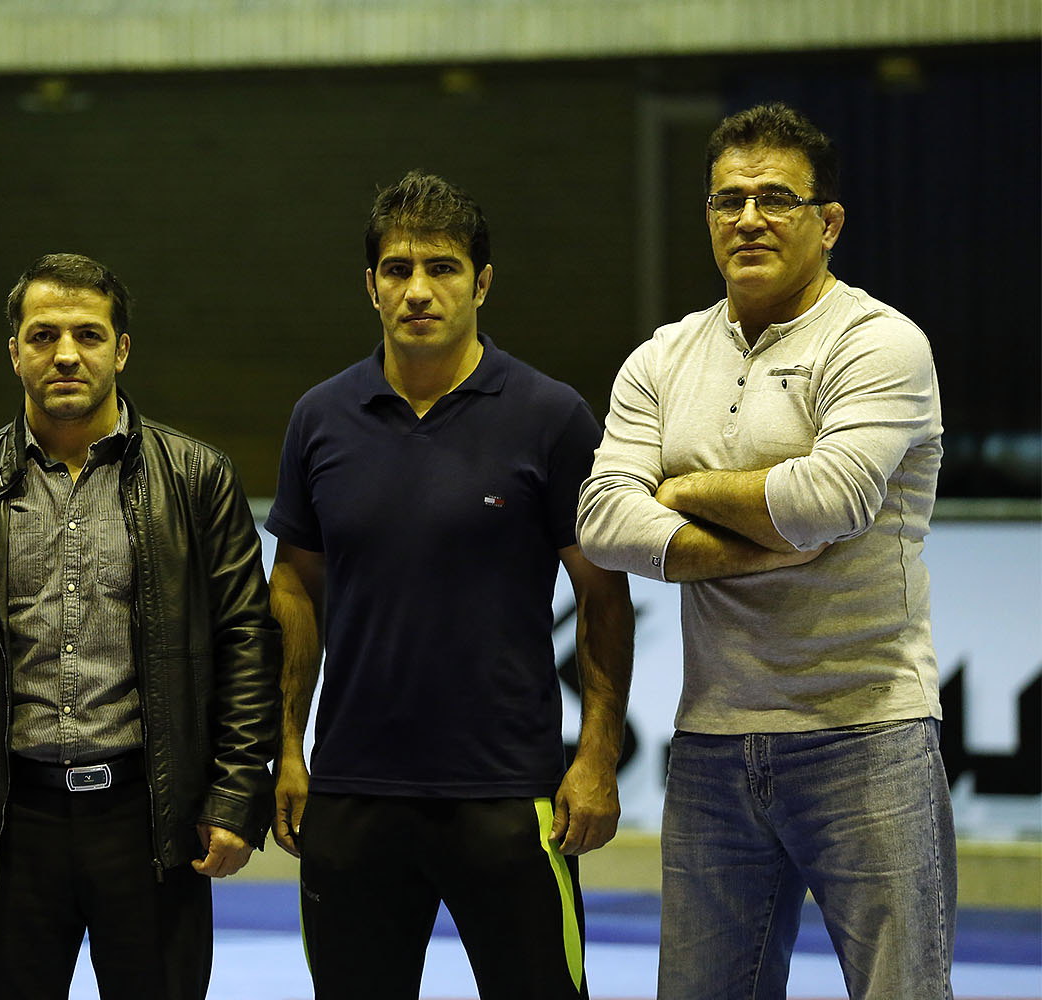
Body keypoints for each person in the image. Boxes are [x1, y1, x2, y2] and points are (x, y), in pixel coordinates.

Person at [577, 102, 953, 998]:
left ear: (829, 223)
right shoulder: (663, 357)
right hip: (712, 741)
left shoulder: (879, 343)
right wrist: (756, 548)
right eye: (728, 200)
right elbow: (602, 519)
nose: (748, 219)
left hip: (868, 731)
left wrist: (682, 492)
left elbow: (826, 501)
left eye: (776, 198)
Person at [267, 170, 635, 1000]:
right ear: (371, 285)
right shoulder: (319, 418)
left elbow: (603, 595)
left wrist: (597, 757)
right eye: (397, 270)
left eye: (442, 268)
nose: (418, 290)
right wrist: (287, 748)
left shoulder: (551, 416)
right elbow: (294, 587)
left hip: (508, 795)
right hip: (352, 793)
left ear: (483, 282)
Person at [0, 253, 281, 999]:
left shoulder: (198, 478)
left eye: (88, 335)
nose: (66, 354)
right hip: (7, 825)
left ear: (121, 349)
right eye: (44, 336)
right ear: (15, 352)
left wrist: (234, 794)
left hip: (150, 821)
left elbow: (247, 646)